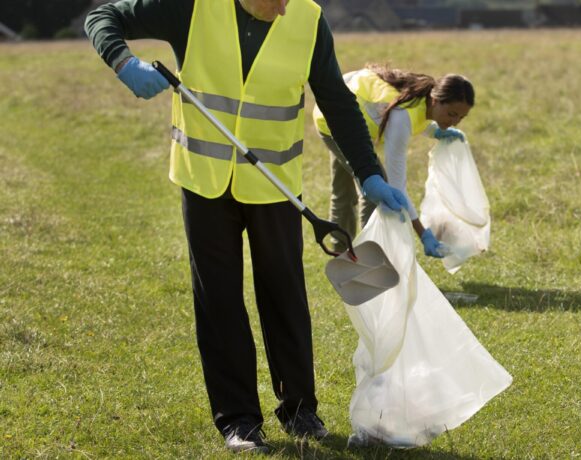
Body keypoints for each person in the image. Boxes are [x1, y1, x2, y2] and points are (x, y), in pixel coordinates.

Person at [85, 0, 411, 453]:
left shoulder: (307, 17)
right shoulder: (192, 7)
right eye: (276, 0)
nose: (283, 11)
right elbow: (103, 17)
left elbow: (335, 98)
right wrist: (123, 63)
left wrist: (369, 173)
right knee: (218, 301)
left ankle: (300, 410)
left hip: (275, 186)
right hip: (205, 181)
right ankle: (238, 421)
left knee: (286, 297)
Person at [313, 65, 474, 258]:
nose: (455, 122)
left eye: (461, 117)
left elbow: (415, 118)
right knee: (375, 188)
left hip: (338, 105)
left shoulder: (421, 98)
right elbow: (397, 188)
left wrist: (435, 131)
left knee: (344, 192)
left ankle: (342, 254)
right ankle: (369, 256)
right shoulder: (402, 115)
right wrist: (423, 235)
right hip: (332, 120)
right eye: (452, 114)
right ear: (435, 100)